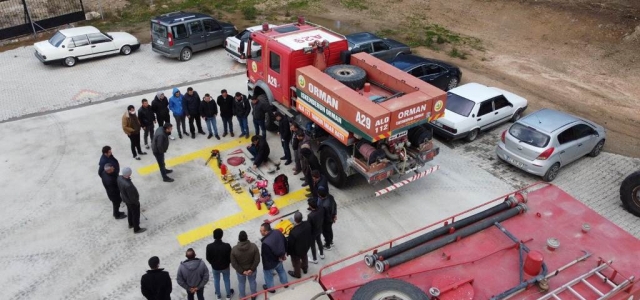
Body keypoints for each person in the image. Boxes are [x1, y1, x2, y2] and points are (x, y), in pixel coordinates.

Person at [231, 231, 260, 300]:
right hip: (252, 270)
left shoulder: (234, 249)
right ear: (247, 237)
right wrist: (251, 269)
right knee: (252, 282)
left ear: (239, 239)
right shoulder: (253, 246)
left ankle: (242, 297)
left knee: (241, 283)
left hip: (241, 271)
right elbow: (257, 259)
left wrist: (242, 271)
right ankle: (253, 295)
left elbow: (233, 263)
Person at [206, 228, 235, 300]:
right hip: (225, 266)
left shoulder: (209, 246)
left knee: (216, 280)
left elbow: (208, 257)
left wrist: (212, 263)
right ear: (222, 235)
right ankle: (228, 295)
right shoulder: (227, 246)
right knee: (226, 280)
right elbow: (231, 257)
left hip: (215, 267)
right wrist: (228, 263)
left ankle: (218, 295)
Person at [260, 222, 288, 292]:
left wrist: (265, 266)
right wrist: (283, 255)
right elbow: (285, 241)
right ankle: (285, 283)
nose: (260, 232)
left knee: (268, 276)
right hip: (280, 258)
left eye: (261, 231)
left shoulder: (265, 243)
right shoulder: (278, 232)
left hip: (271, 263)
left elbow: (266, 256)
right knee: (281, 271)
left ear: (266, 232)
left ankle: (271, 289)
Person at [117, 167, 146, 233]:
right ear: (129, 174)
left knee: (130, 211)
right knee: (136, 214)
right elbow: (132, 197)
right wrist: (137, 202)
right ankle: (137, 229)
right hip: (131, 202)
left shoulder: (119, 178)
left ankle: (131, 224)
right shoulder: (128, 185)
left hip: (125, 199)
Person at [286, 212, 312, 279]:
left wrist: (288, 252)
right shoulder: (307, 224)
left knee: (296, 262)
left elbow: (291, 244)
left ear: (294, 219)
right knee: (304, 257)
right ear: (302, 218)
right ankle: (305, 268)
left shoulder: (293, 232)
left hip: (296, 251)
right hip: (305, 246)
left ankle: (297, 274)